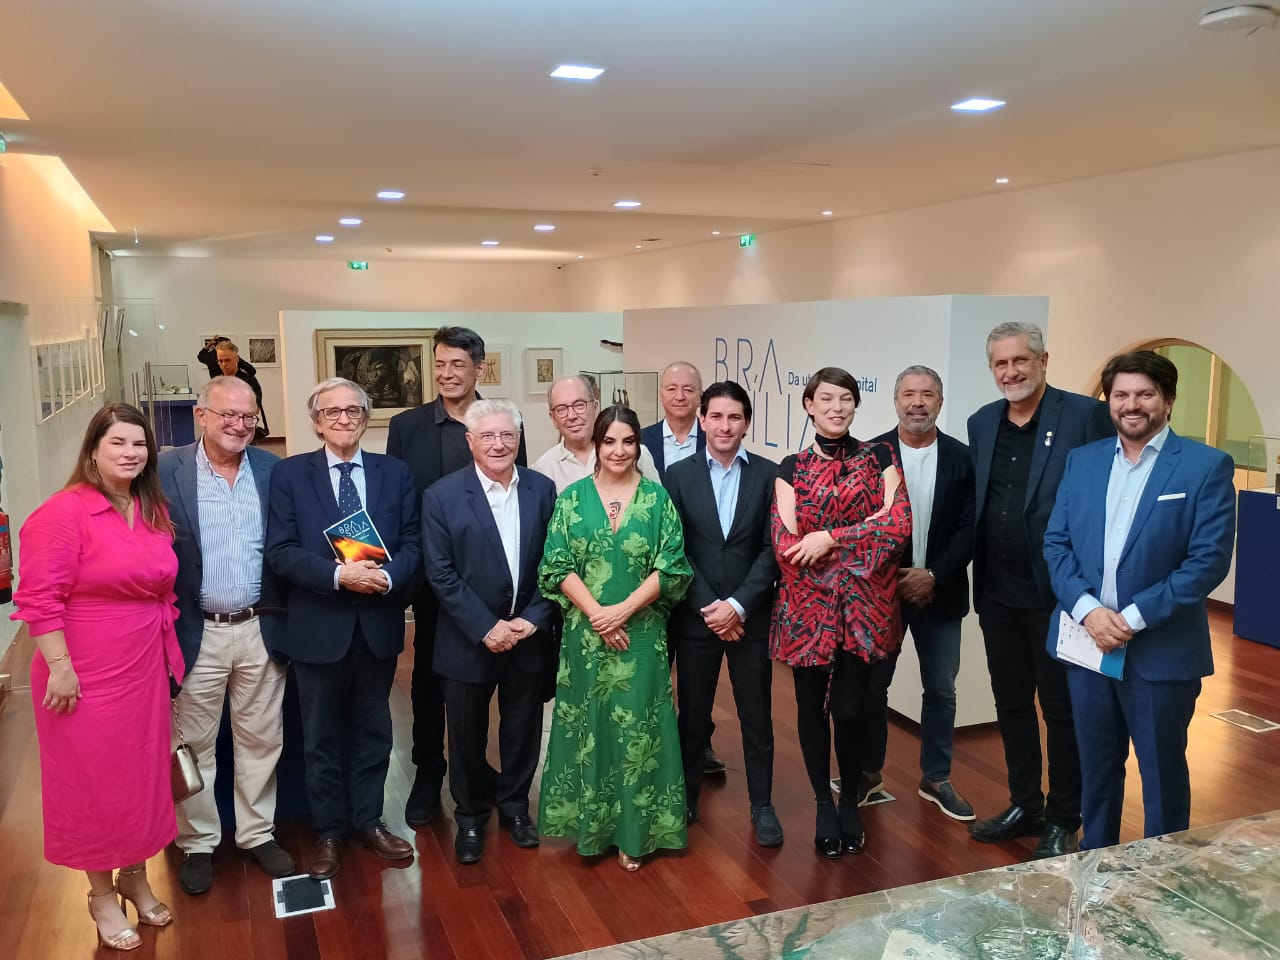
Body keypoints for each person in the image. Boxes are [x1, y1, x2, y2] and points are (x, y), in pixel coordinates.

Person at [1044, 351, 1236, 849]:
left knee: (1162, 773)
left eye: (1145, 394)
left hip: (1160, 651)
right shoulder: (1083, 461)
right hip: (1088, 646)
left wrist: (1129, 618)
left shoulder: (1205, 466)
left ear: (1167, 400)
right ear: (1109, 400)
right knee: (1096, 767)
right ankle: (1096, 863)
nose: (1132, 405)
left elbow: (1206, 562)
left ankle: (1162, 875)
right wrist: (1088, 611)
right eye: (1121, 395)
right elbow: (1056, 543)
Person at [11, 403, 185, 951]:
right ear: (92, 450)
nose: (131, 453)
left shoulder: (150, 507)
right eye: (118, 443)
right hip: (83, 672)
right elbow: (39, 598)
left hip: (142, 666)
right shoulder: (63, 513)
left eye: (139, 444)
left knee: (140, 778)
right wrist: (60, 668)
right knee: (92, 784)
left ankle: (134, 875)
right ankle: (101, 895)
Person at [966, 321, 1114, 859]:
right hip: (996, 592)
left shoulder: (1084, 416)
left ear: (1043, 360)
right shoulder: (982, 421)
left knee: (1061, 710)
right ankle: (1025, 804)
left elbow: (1100, 502)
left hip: (1060, 598)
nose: (1011, 372)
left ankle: (1064, 817)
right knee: (1010, 704)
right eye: (1001, 364)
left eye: (1020, 361)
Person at [266, 377, 421, 879]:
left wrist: (388, 578)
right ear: (316, 422)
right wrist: (339, 576)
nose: (342, 419)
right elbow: (281, 552)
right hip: (318, 628)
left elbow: (414, 542)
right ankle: (329, 831)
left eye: (352, 411)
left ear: (366, 418)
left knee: (375, 733)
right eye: (331, 412)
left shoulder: (394, 473)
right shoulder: (290, 475)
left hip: (377, 626)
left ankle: (369, 822)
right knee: (321, 738)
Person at [537, 405, 692, 871]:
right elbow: (556, 565)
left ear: (639, 445)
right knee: (591, 727)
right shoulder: (571, 499)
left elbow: (672, 566)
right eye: (609, 442)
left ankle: (634, 833)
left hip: (642, 635)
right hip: (586, 638)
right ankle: (593, 828)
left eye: (628, 441)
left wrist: (622, 611)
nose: (619, 451)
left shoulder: (657, 500)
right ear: (596, 445)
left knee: (639, 732)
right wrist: (598, 615)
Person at [386, 326, 527, 829]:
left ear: (479, 369)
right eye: (440, 364)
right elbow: (399, 502)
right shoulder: (407, 426)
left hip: (494, 584)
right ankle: (429, 771)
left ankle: (480, 770)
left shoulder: (503, 420)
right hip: (434, 581)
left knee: (492, 682)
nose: (446, 374)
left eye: (458, 365)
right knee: (429, 679)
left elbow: (519, 496)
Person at [158, 376, 292, 895]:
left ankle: (257, 833)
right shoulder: (165, 470)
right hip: (198, 630)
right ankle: (197, 842)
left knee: (262, 738)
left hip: (261, 626)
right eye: (228, 414)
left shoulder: (272, 469)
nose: (239, 425)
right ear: (201, 415)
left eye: (248, 416)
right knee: (194, 742)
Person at [770, 368, 911, 859]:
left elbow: (898, 527)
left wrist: (830, 538)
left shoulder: (880, 457)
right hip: (808, 612)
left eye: (846, 399)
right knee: (811, 711)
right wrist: (859, 542)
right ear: (809, 405)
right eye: (826, 399)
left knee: (852, 710)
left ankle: (850, 798)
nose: (836, 407)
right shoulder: (791, 466)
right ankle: (821, 805)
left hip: (865, 613)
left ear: (856, 404)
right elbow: (787, 545)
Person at [422, 399, 559, 864]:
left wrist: (533, 618)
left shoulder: (541, 489)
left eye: (507, 435)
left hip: (527, 636)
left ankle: (516, 808)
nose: (498, 444)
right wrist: (486, 627)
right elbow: (440, 574)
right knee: (465, 737)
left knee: (522, 730)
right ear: (470, 441)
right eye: (487, 436)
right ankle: (470, 816)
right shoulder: (441, 496)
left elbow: (555, 563)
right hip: (468, 640)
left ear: (519, 439)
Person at [665, 381, 782, 846]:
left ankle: (762, 805)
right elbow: (675, 548)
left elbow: (773, 548)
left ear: (746, 423)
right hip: (697, 618)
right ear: (702, 420)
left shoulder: (770, 474)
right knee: (692, 716)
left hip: (750, 617)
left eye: (734, 417)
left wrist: (737, 605)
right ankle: (686, 799)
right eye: (716, 416)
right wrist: (711, 607)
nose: (725, 426)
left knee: (757, 716)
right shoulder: (678, 475)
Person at [862, 366, 977, 820]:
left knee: (942, 690)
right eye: (908, 394)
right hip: (882, 595)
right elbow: (860, 528)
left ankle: (936, 777)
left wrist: (934, 575)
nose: (917, 403)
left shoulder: (963, 458)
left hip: (941, 594)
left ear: (940, 402)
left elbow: (970, 527)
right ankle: (868, 774)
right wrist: (896, 577)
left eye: (927, 394)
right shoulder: (871, 455)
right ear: (895, 401)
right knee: (874, 687)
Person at [531, 374, 661, 491]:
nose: (571, 416)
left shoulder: (633, 454)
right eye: (561, 409)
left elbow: (659, 503)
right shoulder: (543, 468)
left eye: (579, 405)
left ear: (595, 407)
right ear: (553, 418)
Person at [640, 361, 707, 481]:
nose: (680, 397)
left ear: (700, 398)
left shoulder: (713, 439)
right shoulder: (641, 440)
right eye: (672, 389)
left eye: (688, 390)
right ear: (661, 396)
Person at [198, 339, 269, 437]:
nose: (224, 365)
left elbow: (256, 408)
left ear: (237, 359)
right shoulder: (217, 382)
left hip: (243, 430)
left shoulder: (248, 380)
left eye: (227, 360)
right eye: (220, 361)